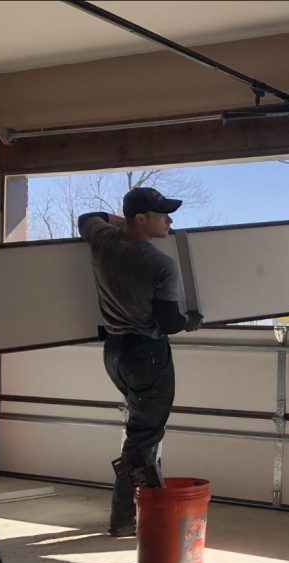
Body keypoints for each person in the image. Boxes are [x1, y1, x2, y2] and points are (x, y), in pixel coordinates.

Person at [78, 187, 204, 537]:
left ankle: (138, 507)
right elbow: (168, 322)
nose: (169, 221)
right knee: (143, 437)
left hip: (115, 351)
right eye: (163, 215)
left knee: (142, 431)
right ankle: (126, 518)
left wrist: (122, 223)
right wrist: (190, 321)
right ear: (141, 218)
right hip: (147, 356)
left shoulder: (103, 240)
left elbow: (87, 218)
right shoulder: (160, 264)